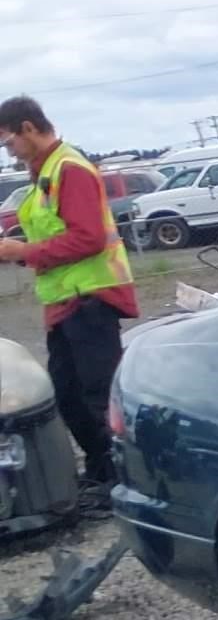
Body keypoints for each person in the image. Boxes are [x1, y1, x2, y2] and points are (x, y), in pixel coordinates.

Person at [0, 95, 137, 507]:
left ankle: (122, 480)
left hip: (91, 299)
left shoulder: (69, 169)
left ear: (28, 128)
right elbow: (59, 234)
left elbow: (87, 238)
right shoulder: (45, 173)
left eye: (8, 142)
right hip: (67, 301)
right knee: (69, 394)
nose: (8, 152)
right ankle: (102, 473)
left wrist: (22, 252)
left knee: (98, 397)